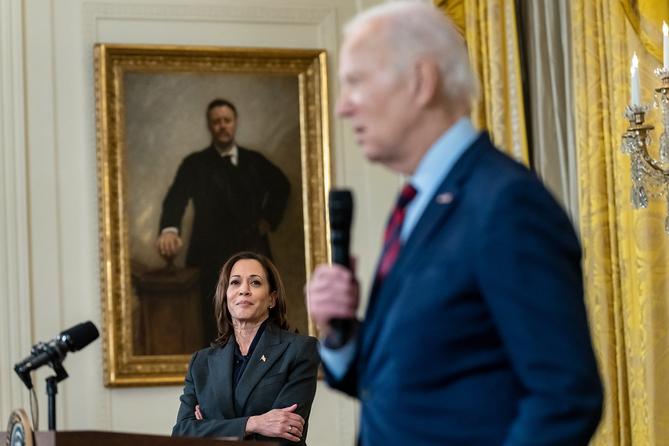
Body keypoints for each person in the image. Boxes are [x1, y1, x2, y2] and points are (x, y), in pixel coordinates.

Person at [306, 2, 603, 445]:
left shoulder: (506, 203)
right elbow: (408, 383)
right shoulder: (419, 203)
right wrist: (339, 335)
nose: (344, 107)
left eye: (356, 83)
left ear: (421, 81)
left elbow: (564, 396)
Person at [157, 99, 290, 344]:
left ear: (235, 123)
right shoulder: (195, 164)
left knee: (260, 320)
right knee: (213, 324)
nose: (222, 126)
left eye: (226, 121)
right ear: (210, 126)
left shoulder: (254, 161)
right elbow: (176, 198)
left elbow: (282, 186)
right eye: (216, 122)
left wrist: (268, 219)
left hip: (251, 249)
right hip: (209, 255)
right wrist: (169, 229)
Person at [172, 251, 319, 445]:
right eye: (235, 282)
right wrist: (253, 423)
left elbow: (285, 435)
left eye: (255, 282)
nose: (244, 290)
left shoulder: (300, 350)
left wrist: (209, 426)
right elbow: (181, 433)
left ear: (272, 299)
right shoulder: (201, 362)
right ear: (225, 296)